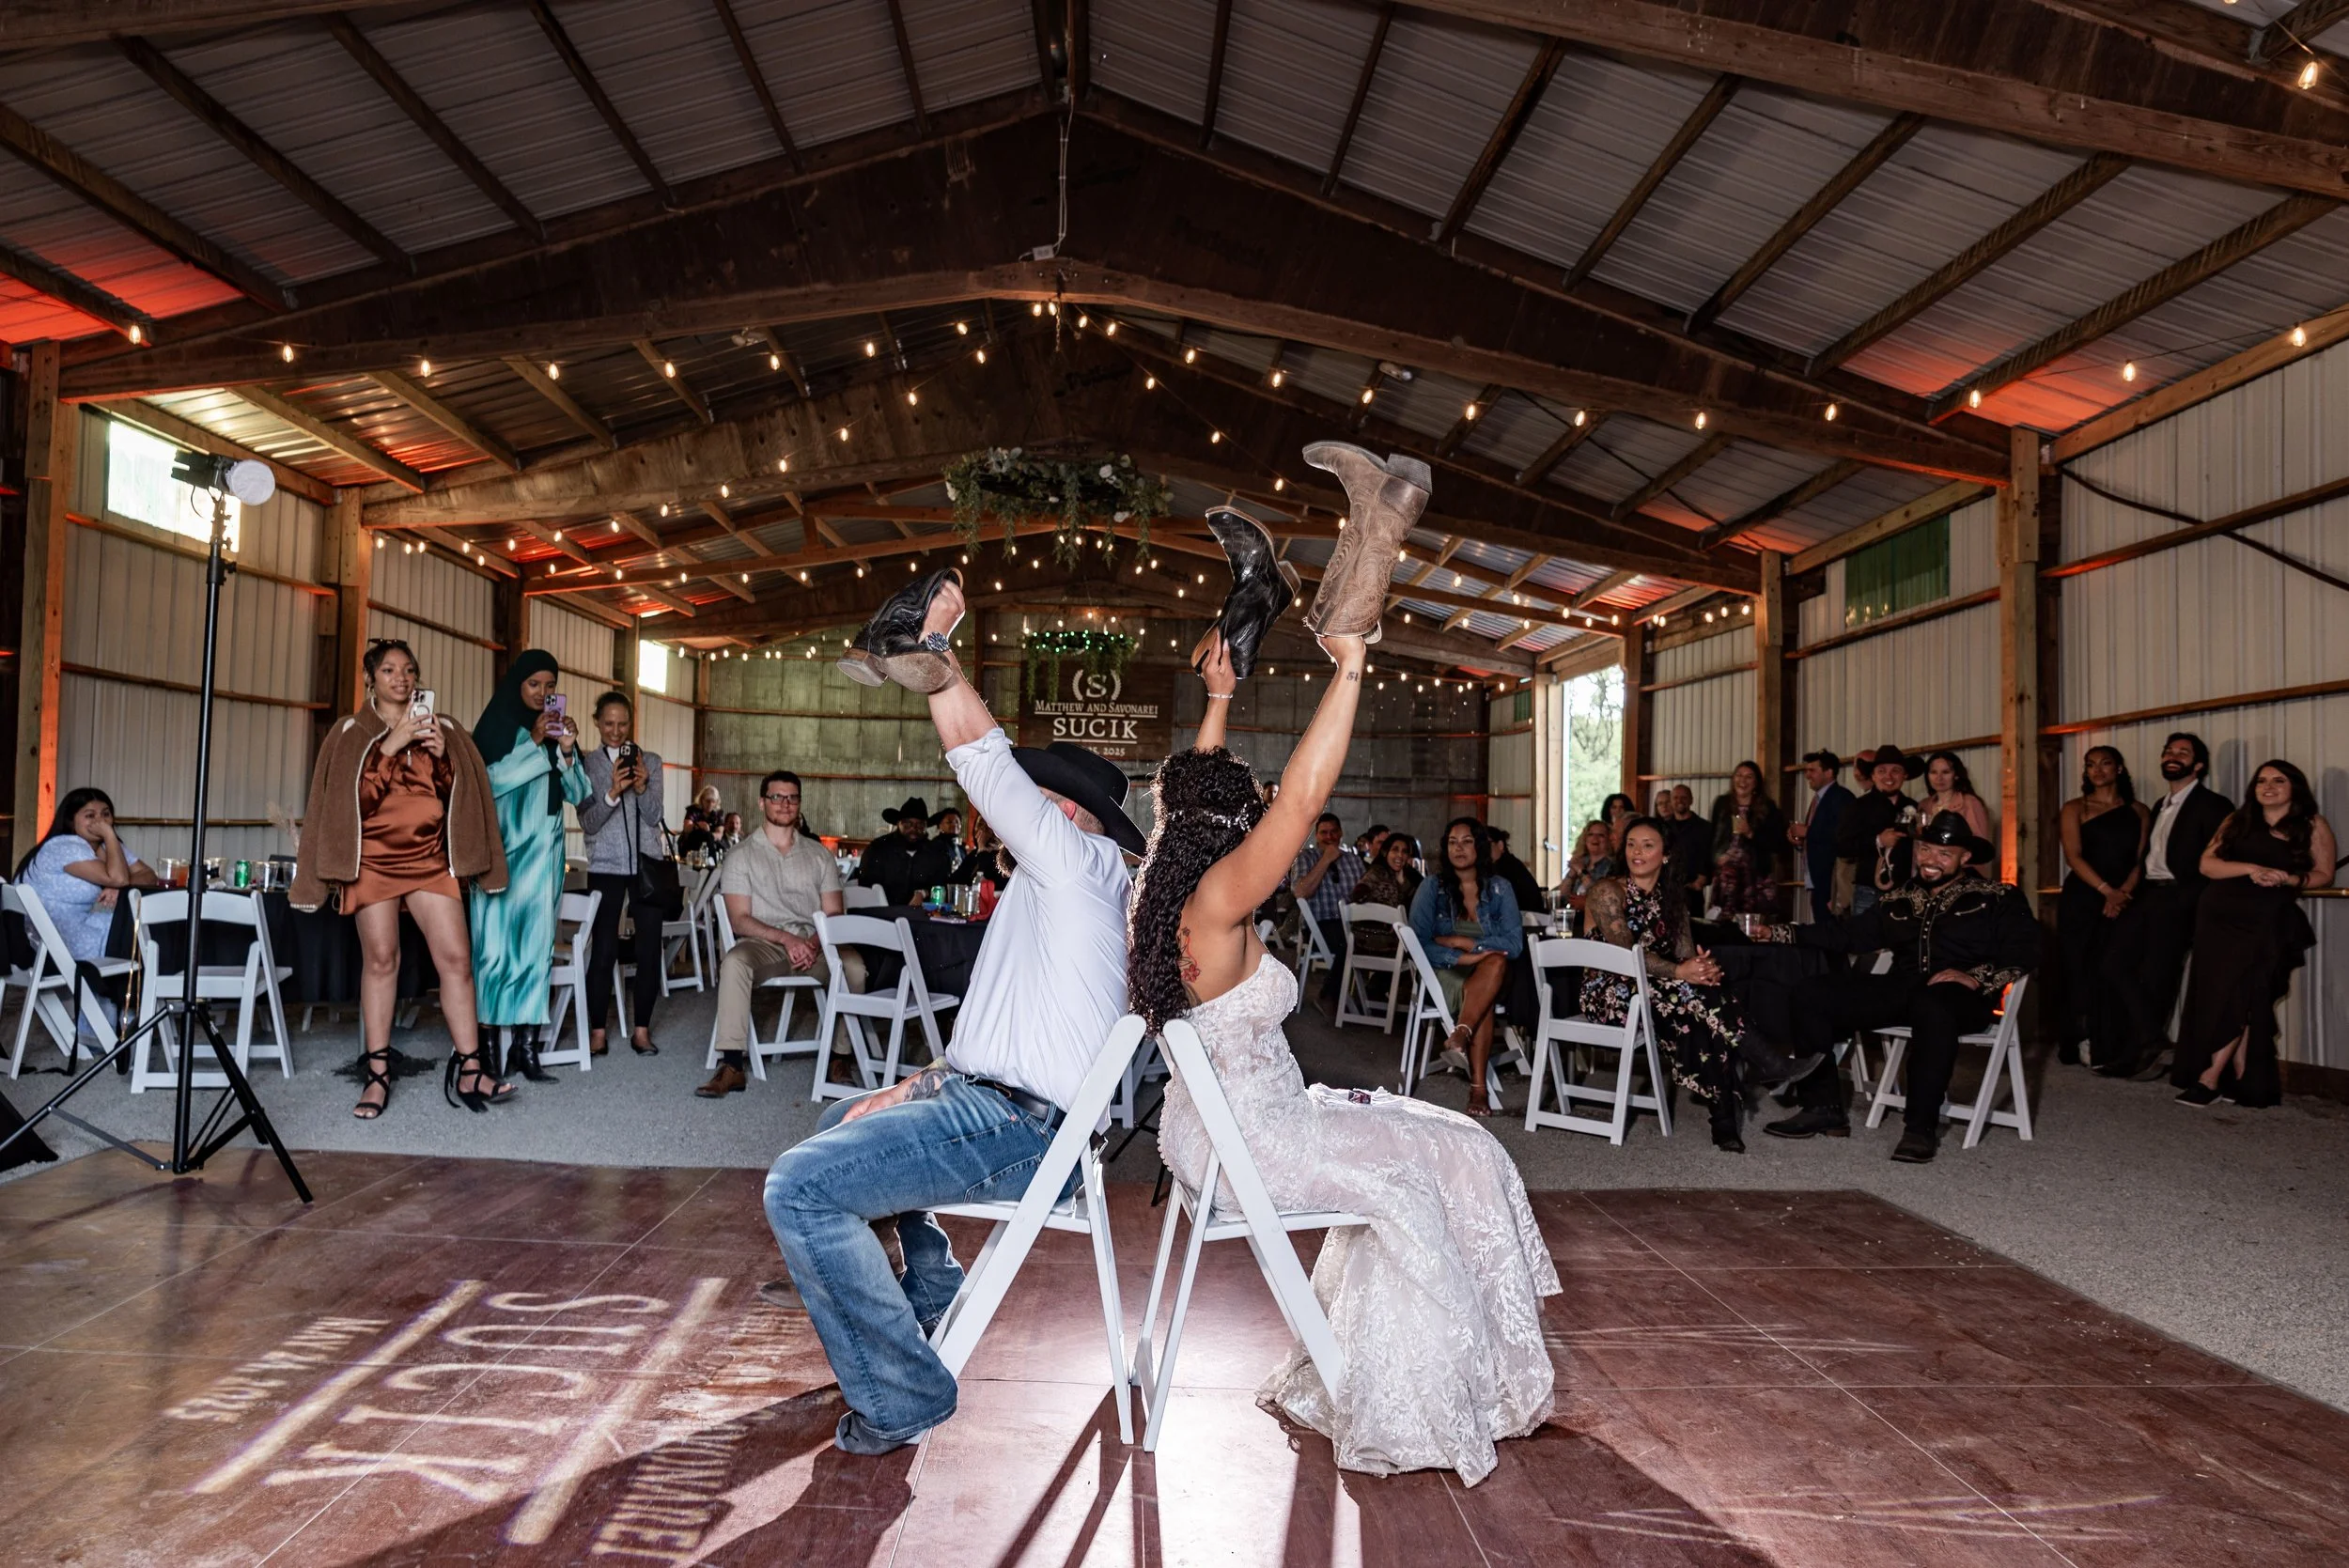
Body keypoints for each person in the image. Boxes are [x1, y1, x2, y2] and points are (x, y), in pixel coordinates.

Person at [1132, 621, 1558, 1484]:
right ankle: (1438, 1390)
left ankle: (1428, 1361)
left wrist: (1220, 697)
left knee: (1439, 1142)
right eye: (1240, 814)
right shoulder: (1215, 899)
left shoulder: (1162, 884)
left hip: (1220, 1128)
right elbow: (1298, 802)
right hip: (1257, 1141)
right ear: (1226, 833)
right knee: (1452, 1154)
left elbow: (1198, 799)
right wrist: (1351, 667)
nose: (1256, 822)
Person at [763, 567, 1145, 1456]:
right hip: (993, 1103)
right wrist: (915, 1083)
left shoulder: (1079, 864)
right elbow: (1005, 1035)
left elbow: (983, 762)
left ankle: (901, 1394)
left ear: (1065, 812)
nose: (1028, 802)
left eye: (1041, 795)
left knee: (801, 1186)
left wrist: (938, 655)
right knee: (838, 1117)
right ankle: (933, 1297)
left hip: (1018, 1129)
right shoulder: (1063, 882)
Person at [293, 639, 506, 1119]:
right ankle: (377, 1074)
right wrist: (388, 747)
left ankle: (472, 1068)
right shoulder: (351, 731)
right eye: (389, 670)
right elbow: (352, 806)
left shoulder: (443, 727)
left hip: (430, 858)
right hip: (373, 862)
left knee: (456, 959)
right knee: (383, 960)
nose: (401, 678)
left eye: (409, 670)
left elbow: (464, 802)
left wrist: (445, 756)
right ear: (371, 678)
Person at [1763, 811, 2040, 1163]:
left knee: (1932, 1004)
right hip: (1905, 987)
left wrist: (1976, 977)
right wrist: (1780, 932)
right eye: (1925, 850)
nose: (1931, 861)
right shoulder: (1900, 898)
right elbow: (1847, 935)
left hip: (1963, 996)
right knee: (1810, 993)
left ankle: (1920, 1127)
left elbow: (2027, 950)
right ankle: (1821, 1107)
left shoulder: (1997, 896)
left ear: (1965, 857)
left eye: (1944, 854)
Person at [1580, 817, 1754, 1151]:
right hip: (1610, 993)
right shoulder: (1607, 891)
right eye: (1631, 844)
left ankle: (1724, 1120)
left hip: (1660, 990)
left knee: (1700, 1005)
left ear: (1666, 855)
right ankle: (1757, 1063)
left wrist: (1703, 969)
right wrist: (1682, 973)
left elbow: (1687, 955)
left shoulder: (1673, 899)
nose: (1637, 852)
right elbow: (1625, 958)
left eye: (1647, 845)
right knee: (1693, 1001)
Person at [2171, 760, 2334, 1109]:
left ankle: (2210, 1078)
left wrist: (2287, 878)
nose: (2268, 786)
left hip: (2268, 920)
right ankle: (2242, 1078)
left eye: (2278, 780)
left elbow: (2324, 874)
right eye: (2261, 781)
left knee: (2246, 992)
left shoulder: (2311, 824)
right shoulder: (2237, 820)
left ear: (2295, 787)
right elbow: (2207, 865)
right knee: (2225, 995)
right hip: (2219, 917)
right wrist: (2253, 869)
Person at [697, 769, 863, 1099]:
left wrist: (812, 942)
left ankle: (840, 1058)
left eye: (792, 798)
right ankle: (731, 1064)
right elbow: (739, 920)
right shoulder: (741, 855)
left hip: (815, 943)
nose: (785, 804)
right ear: (762, 803)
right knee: (734, 964)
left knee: (854, 968)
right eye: (777, 797)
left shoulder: (819, 855)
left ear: (799, 803)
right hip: (764, 944)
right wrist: (787, 940)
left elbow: (833, 913)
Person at [469, 650, 590, 1088]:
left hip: (546, 860)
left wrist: (567, 750)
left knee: (535, 951)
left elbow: (579, 794)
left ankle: (525, 1048)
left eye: (550, 686)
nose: (543, 694)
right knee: (494, 953)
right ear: (517, 684)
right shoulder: (497, 728)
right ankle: (481, 1053)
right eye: (534, 685)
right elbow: (488, 783)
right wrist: (534, 743)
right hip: (503, 857)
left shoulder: (551, 732)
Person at [2091, 733, 2232, 1079]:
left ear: (2198, 765)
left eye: (2182, 753)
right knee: (2113, 964)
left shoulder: (2214, 805)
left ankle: (2136, 1056)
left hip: (2182, 897)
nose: (2173, 756)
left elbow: (2222, 857)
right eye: (2169, 751)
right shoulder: (2158, 805)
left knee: (2157, 977)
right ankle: (2153, 1039)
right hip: (2149, 895)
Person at [1407, 816, 1524, 1116]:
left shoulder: (1500, 889)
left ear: (1480, 847)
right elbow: (1418, 942)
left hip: (1491, 969)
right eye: (1452, 842)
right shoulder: (1432, 887)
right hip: (1447, 971)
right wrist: (1464, 958)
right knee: (1482, 997)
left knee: (1495, 964)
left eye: (1467, 841)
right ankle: (1478, 1089)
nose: (1458, 848)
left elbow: (1514, 944)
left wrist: (1465, 942)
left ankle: (1461, 1032)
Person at [578, 691, 672, 1060]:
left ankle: (642, 1031)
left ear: (632, 723)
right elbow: (587, 820)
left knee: (649, 951)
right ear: (596, 723)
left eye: (622, 724)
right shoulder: (586, 765)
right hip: (605, 866)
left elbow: (652, 817)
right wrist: (613, 793)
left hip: (646, 866)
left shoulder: (651, 761)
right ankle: (597, 1031)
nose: (615, 732)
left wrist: (644, 786)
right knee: (603, 950)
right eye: (608, 724)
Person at [2055, 746, 2149, 1064]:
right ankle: (2077, 1039)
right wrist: (2105, 890)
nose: (2098, 770)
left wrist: (2122, 892)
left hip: (2125, 898)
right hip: (2083, 895)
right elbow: (2073, 856)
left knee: (2113, 969)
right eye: (2091, 765)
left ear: (2119, 768)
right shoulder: (2074, 808)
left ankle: (2109, 1041)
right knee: (2077, 966)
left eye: (2105, 764)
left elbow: (2142, 858)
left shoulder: (2139, 810)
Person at [15, 787, 160, 964]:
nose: (101, 822)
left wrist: (118, 886)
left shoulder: (109, 847)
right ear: (71, 821)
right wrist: (109, 835)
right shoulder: (64, 847)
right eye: (90, 816)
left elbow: (149, 875)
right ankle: (156, 984)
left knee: (147, 921)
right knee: (153, 928)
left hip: (91, 926)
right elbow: (119, 878)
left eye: (106, 815)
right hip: (63, 943)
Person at [1288, 810, 1363, 1009]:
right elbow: (1301, 892)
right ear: (1316, 835)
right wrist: (1326, 860)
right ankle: (1328, 997)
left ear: (1341, 833)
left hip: (1352, 923)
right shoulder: (1306, 857)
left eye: (1333, 832)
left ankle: (1371, 992)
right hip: (1319, 926)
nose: (1329, 837)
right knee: (1349, 941)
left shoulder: (1354, 860)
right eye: (1324, 832)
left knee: (1369, 940)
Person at [1835, 744, 1919, 914]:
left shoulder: (1914, 807)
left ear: (1905, 775)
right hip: (1869, 892)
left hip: (1906, 892)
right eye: (1881, 771)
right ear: (1873, 776)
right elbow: (1841, 846)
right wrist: (1878, 841)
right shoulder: (1858, 807)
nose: (1888, 776)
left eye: (1896, 770)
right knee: (1866, 939)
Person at [1708, 761, 1787, 919]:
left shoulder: (1768, 807)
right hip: (1726, 875)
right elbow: (1712, 837)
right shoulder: (1722, 804)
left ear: (1756, 783)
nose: (1742, 781)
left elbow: (1778, 843)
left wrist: (1751, 833)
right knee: (1724, 921)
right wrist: (1715, 860)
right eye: (1739, 775)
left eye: (1748, 777)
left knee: (1753, 923)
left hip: (1755, 874)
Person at [1786, 751, 1852, 920]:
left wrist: (1808, 832)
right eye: (1806, 770)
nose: (1807, 775)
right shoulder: (1817, 799)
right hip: (1816, 879)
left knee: (1832, 931)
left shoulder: (1842, 798)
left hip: (1831, 881)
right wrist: (1800, 841)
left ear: (1829, 772)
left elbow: (1844, 836)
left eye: (1812, 770)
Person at [855, 797, 955, 907]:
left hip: (921, 918)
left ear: (926, 827)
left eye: (920, 825)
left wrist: (923, 893)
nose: (913, 829)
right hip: (881, 916)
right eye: (908, 824)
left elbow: (942, 886)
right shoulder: (878, 849)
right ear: (899, 824)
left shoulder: (936, 853)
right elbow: (865, 886)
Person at [1346, 830, 1422, 957]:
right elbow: (1360, 891)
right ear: (1385, 852)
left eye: (1404, 851)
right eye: (1395, 850)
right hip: (1378, 942)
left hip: (1383, 943)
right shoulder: (1377, 872)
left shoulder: (1411, 876)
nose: (1400, 855)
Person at [1917, 751, 1993, 847]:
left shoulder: (1970, 803)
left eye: (1945, 772)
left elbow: (1980, 847)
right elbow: (1918, 843)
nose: (1939, 778)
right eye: (1933, 772)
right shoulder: (1923, 805)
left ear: (1956, 775)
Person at [1486, 825, 1546, 915]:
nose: (1481, 849)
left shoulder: (1506, 868)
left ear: (1500, 845)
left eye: (1486, 844)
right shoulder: (1508, 863)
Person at [1666, 784, 1713, 898]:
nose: (1679, 801)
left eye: (1684, 797)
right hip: (1666, 889)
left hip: (1693, 890)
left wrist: (1702, 879)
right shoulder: (1663, 828)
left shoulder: (1705, 828)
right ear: (1671, 801)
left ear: (1691, 800)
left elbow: (1710, 857)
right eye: (1675, 798)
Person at [946, 814, 1011, 892]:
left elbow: (985, 879)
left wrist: (982, 852)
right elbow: (954, 881)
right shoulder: (974, 855)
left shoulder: (1002, 856)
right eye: (980, 825)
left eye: (987, 826)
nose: (982, 830)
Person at [1561, 818, 1615, 910]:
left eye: (1601, 835)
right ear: (1585, 839)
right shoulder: (1581, 861)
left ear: (1609, 839)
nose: (1595, 838)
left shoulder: (1613, 865)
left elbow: (1601, 897)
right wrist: (1571, 874)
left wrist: (1582, 872)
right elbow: (1562, 897)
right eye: (1590, 834)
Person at [678, 784, 724, 857]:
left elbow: (719, 834)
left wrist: (707, 836)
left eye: (713, 801)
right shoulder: (693, 810)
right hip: (692, 842)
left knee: (707, 837)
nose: (710, 804)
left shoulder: (718, 813)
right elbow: (686, 828)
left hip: (710, 843)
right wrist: (698, 825)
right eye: (708, 801)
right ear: (702, 799)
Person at [930, 807, 965, 876]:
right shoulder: (936, 845)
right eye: (949, 822)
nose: (954, 825)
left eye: (957, 822)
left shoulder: (961, 847)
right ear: (939, 826)